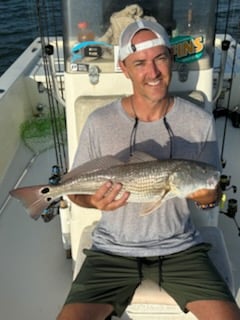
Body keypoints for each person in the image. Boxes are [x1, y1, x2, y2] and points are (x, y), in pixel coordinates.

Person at [57, 20, 240, 320]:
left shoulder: (199, 122)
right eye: (140, 62)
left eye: (160, 58)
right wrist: (93, 201)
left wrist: (209, 197)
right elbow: (77, 192)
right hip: (111, 250)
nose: (152, 72)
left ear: (170, 59)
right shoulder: (99, 122)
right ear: (124, 68)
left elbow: (209, 188)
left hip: (181, 247)